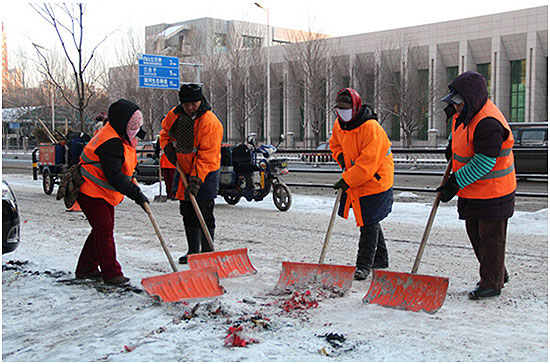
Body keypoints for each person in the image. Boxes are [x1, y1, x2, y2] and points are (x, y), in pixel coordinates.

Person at [437, 70, 515, 300]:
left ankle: (491, 283)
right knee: (475, 234)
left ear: (471, 99)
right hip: (473, 190)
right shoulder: (464, 113)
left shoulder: (488, 122)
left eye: (459, 103)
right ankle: (497, 271)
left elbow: (485, 161)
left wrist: (454, 183)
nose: (457, 107)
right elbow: (459, 134)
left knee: (491, 238)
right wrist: (451, 147)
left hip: (494, 191)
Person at [76, 99, 149, 285]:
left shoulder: (119, 132)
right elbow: (115, 177)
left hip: (101, 192)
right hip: (90, 190)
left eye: (136, 126)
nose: (135, 130)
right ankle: (111, 273)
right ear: (121, 122)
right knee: (104, 231)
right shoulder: (111, 142)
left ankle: (86, 268)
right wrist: (137, 195)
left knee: (101, 230)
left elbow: (129, 150)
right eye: (132, 126)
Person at [329, 88, 394, 280]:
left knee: (368, 221)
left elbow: (367, 165)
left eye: (346, 108)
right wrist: (342, 160)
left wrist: (346, 180)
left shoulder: (371, 128)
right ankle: (380, 258)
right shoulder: (339, 125)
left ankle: (364, 265)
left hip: (376, 179)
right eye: (339, 108)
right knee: (369, 219)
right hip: (357, 177)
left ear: (355, 108)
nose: (342, 112)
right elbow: (335, 144)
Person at [159, 83, 223, 264]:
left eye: (194, 103)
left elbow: (207, 156)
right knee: (187, 210)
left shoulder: (209, 122)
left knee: (204, 209)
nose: (191, 107)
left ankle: (207, 252)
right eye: (187, 104)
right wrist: (168, 150)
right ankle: (193, 251)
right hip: (183, 168)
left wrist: (196, 180)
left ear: (200, 100)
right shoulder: (175, 116)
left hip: (207, 171)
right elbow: (164, 134)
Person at [154, 134, 177, 199]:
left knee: (172, 180)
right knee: (168, 181)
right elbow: (157, 149)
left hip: (172, 163)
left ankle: (172, 194)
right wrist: (158, 154)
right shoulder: (161, 136)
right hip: (165, 162)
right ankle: (170, 194)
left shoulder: (173, 135)